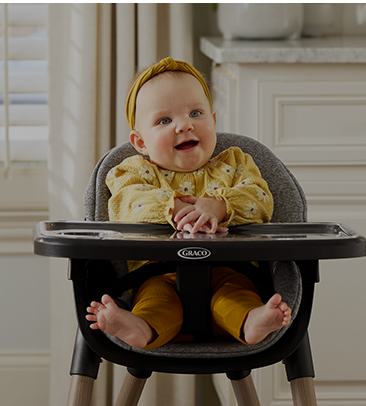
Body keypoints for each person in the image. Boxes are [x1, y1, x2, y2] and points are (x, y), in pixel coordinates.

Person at [84, 57, 291, 349]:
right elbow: (126, 203)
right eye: (164, 120)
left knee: (236, 298)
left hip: (231, 271)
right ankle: (138, 328)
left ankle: (254, 320)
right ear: (141, 142)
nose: (184, 125)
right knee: (157, 303)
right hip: (157, 273)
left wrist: (220, 206)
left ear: (213, 120)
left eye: (196, 113)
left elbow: (260, 199)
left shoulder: (236, 163)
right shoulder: (132, 171)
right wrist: (176, 207)